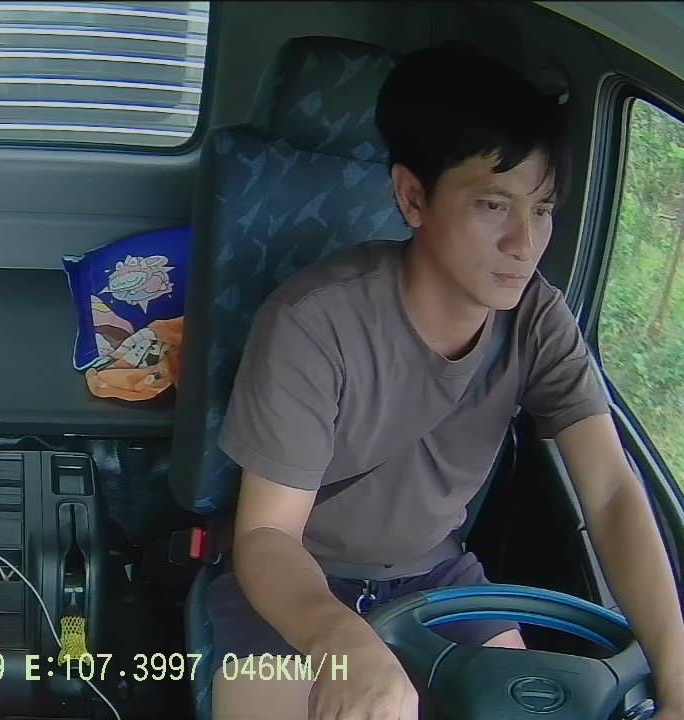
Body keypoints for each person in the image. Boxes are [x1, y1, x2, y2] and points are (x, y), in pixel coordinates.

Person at [208, 44, 684, 719]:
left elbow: (610, 494)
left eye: (542, 208)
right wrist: (342, 639)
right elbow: (268, 537)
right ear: (413, 197)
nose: (524, 243)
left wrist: (677, 671)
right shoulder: (312, 323)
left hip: (439, 579)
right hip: (294, 584)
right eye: (493, 205)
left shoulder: (538, 318)